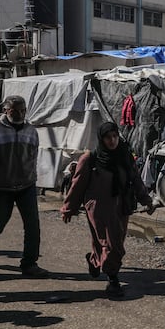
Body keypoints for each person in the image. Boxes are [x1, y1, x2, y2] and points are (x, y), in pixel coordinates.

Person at [61, 122, 154, 297]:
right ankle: (113, 280)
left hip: (122, 205)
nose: (112, 141)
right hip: (98, 206)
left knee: (108, 240)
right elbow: (78, 185)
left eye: (114, 136)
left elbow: (135, 179)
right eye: (107, 137)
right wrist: (68, 208)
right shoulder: (91, 159)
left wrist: (146, 200)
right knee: (112, 244)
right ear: (101, 139)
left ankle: (95, 261)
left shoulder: (125, 156)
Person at [0, 96, 48, 277]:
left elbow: (33, 156)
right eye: (14, 110)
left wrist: (32, 178)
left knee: (32, 226)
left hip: (26, 186)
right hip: (2, 188)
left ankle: (29, 264)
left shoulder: (30, 131)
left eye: (22, 110)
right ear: (6, 110)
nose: (19, 114)